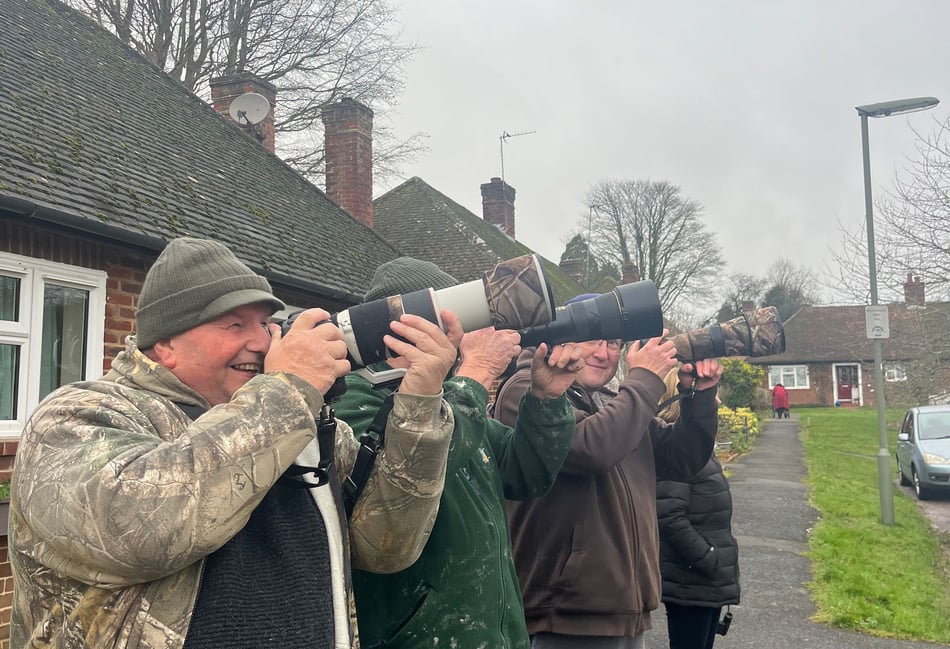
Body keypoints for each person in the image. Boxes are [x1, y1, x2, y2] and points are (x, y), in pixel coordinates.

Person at [9, 237, 456, 649]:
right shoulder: (75, 417)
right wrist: (289, 388)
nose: (262, 341)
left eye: (264, 323)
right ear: (165, 343)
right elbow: (136, 532)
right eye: (234, 324)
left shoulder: (301, 423)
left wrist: (419, 402)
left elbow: (384, 547)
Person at [334, 257, 585, 649]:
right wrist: (477, 371)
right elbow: (408, 478)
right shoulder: (350, 399)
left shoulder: (453, 399)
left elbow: (526, 474)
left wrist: (546, 399)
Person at [494, 308, 723, 649]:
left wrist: (700, 397)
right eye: (593, 340)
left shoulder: (610, 401)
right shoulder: (527, 391)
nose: (604, 354)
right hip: (564, 613)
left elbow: (682, 459)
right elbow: (590, 449)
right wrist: (645, 380)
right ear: (562, 337)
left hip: (625, 609)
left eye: (614, 343)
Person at [656, 370, 740, 649]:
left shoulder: (697, 446)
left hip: (704, 579)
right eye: (704, 393)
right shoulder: (676, 449)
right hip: (691, 579)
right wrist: (708, 558)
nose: (717, 400)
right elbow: (668, 515)